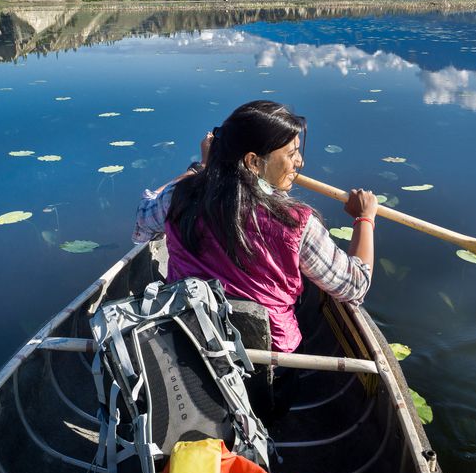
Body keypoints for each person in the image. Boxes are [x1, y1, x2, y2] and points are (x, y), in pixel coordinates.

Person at [132, 100, 377, 354]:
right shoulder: (296, 222)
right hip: (270, 357)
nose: (300, 162)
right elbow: (354, 286)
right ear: (253, 162)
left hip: (188, 344)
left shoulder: (179, 196)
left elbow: (143, 220)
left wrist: (200, 169)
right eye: (292, 154)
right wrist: (364, 219)